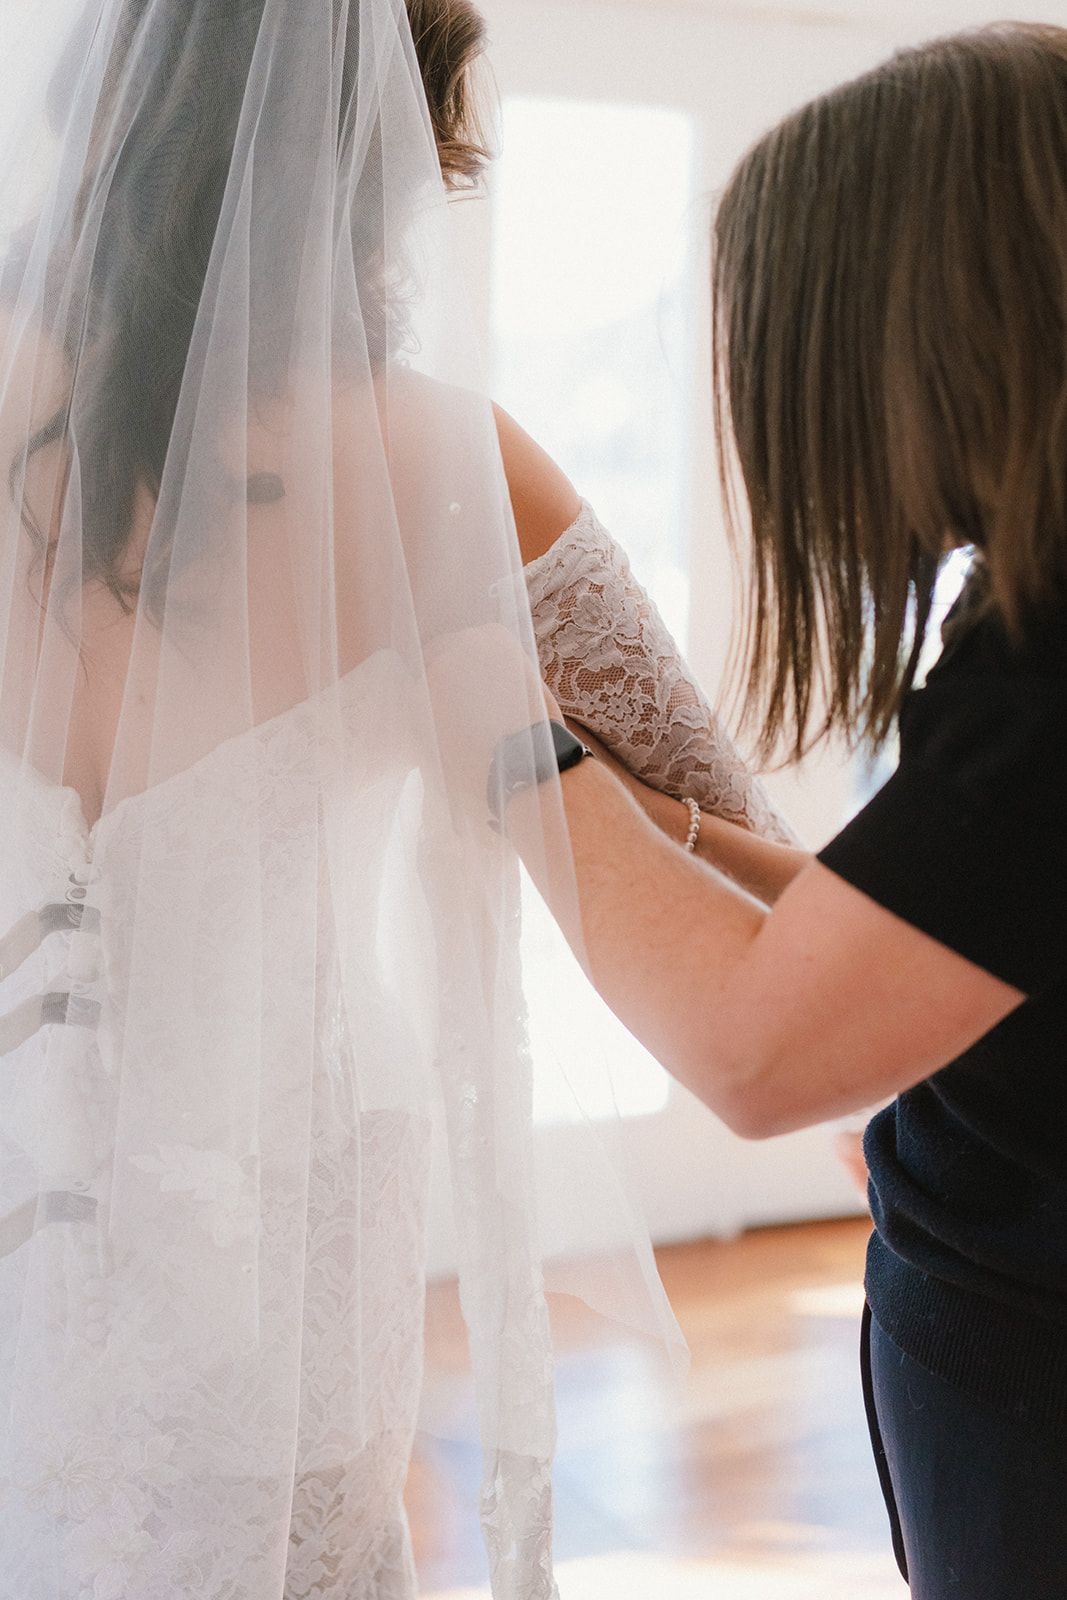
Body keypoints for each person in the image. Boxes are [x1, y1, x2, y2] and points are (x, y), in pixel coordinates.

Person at [0, 1, 788, 1595]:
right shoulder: (438, 464)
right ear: (387, 156)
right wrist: (523, 760)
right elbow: (751, 857)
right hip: (276, 1280)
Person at [473, 22, 1067, 1599]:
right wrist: (665, 827)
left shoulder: (1048, 676)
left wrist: (508, 745)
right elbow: (911, 920)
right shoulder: (1024, 622)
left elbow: (755, 1050)